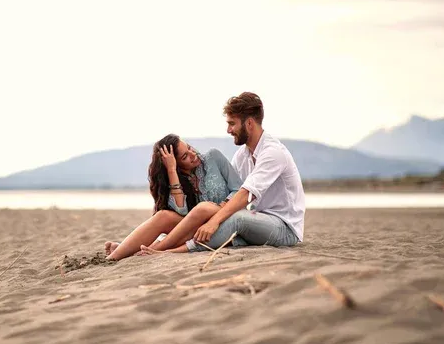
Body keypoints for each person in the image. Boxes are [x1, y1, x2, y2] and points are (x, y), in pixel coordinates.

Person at [141, 92, 305, 254]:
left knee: (236, 219)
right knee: (221, 218)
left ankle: (170, 251)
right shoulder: (242, 155)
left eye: (232, 124)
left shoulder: (272, 152)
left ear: (249, 124)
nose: (228, 130)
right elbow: (231, 193)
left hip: (284, 227)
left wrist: (214, 221)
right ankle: (136, 248)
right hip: (257, 219)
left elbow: (245, 194)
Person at [104, 133, 242, 260]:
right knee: (163, 216)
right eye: (184, 157)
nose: (193, 154)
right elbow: (182, 213)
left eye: (189, 148)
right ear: (176, 165)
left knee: (202, 208)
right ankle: (114, 258)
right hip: (199, 227)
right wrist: (172, 171)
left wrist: (222, 206)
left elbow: (239, 189)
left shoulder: (214, 157)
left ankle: (153, 249)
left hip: (225, 216)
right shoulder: (178, 178)